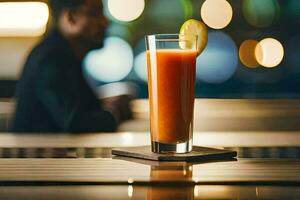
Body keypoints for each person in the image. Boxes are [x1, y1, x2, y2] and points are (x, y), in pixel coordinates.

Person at [11, 0, 131, 133]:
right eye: (95, 13)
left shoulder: (62, 55)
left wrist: (103, 103)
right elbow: (76, 123)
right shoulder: (51, 59)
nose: (105, 22)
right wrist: (115, 112)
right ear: (71, 18)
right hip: (33, 152)